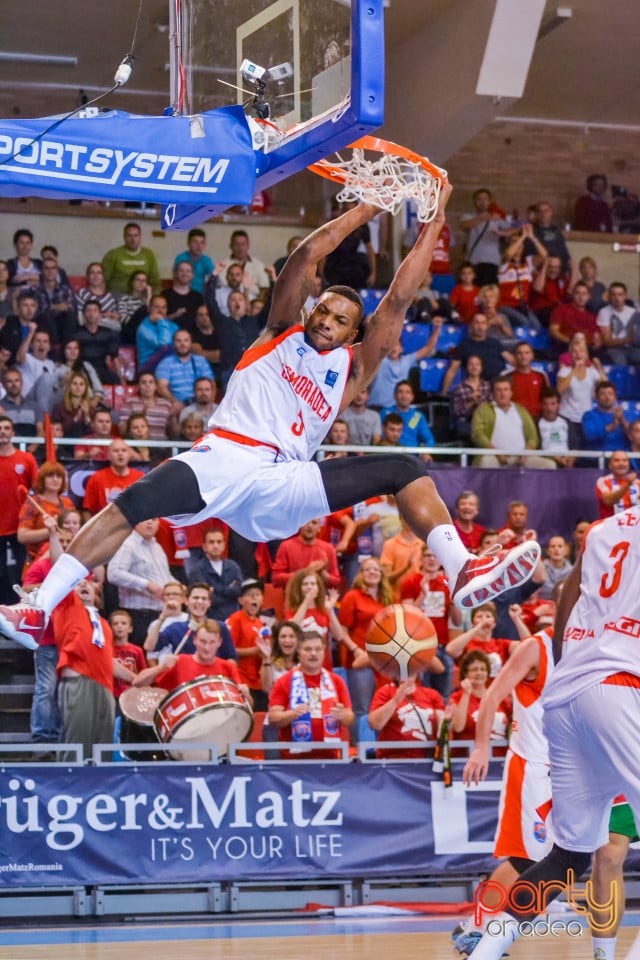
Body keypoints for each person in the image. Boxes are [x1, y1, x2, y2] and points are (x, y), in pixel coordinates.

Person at [0, 189, 541, 653]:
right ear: (309, 311)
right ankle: (39, 608)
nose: (327, 320)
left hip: (283, 480)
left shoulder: (353, 370)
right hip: (225, 456)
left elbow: (399, 298)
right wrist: (365, 209)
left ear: (355, 333)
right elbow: (308, 253)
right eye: (323, 310)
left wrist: (436, 218)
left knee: (403, 466)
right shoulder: (278, 331)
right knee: (130, 504)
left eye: (341, 319)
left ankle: (462, 567)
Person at [465, 506, 640, 960]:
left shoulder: (602, 527)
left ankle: (486, 951)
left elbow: (567, 593)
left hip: (564, 697)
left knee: (568, 858)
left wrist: (565, 661)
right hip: (619, 685)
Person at [55, 577, 134, 761]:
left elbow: (108, 660)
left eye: (87, 582)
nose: (83, 584)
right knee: (78, 742)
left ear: (97, 590)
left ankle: (100, 786)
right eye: (77, 583)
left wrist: (134, 678)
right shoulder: (67, 608)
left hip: (105, 687)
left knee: (103, 745)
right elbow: (61, 566)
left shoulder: (104, 624)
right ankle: (69, 784)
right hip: (79, 681)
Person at [267, 630, 353, 759]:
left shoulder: (336, 681)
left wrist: (342, 715)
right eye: (308, 649)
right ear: (299, 653)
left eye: (318, 649)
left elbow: (349, 717)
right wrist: (292, 714)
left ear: (324, 653)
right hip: (293, 759)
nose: (313, 654)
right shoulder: (284, 681)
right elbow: (273, 717)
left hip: (329, 757)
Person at [134, 619, 248, 699]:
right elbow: (137, 683)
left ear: (220, 642)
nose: (207, 647)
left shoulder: (227, 667)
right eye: (202, 641)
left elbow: (247, 705)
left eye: (212, 642)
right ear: (194, 640)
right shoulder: (180, 661)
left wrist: (246, 694)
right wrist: (161, 667)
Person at [107, 518, 173, 645]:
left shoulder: (157, 547)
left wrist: (177, 586)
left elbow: (165, 575)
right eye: (145, 519)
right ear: (136, 521)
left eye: (154, 519)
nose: (150, 522)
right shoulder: (128, 545)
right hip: (138, 615)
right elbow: (114, 573)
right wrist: (146, 584)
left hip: (159, 613)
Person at [470, 376, 555, 469]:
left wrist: (525, 453)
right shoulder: (483, 409)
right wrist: (496, 453)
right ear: (493, 393)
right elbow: (477, 434)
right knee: (486, 462)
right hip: (494, 456)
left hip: (521, 457)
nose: (503, 394)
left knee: (549, 465)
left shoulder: (521, 410)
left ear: (511, 392)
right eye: (498, 390)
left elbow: (533, 437)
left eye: (506, 390)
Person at [0, 415, 38, 602]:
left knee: (17, 577)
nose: (3, 431)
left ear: (13, 433)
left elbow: (37, 491)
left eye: (7, 428)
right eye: (0, 428)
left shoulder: (26, 459)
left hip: (19, 529)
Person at [368, 674, 445, 758]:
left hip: (427, 760)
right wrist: (395, 701)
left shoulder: (432, 694)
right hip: (393, 762)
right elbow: (375, 724)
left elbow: (443, 726)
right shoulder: (385, 692)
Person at [17, 462, 74, 575]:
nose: (55, 480)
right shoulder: (33, 503)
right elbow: (22, 536)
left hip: (63, 562)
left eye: (59, 476)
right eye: (50, 476)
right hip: (38, 563)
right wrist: (51, 531)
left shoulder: (67, 503)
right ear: (42, 479)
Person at [446, 648, 511, 745]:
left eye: (483, 669)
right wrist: (466, 694)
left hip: (500, 756)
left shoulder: (499, 698)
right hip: (468, 755)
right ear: (465, 673)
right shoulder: (457, 697)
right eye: (474, 669)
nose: (479, 673)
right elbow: (457, 728)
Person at [283, 568, 343, 670]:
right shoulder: (292, 611)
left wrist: (330, 611)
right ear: (298, 588)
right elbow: (292, 629)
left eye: (312, 583)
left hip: (323, 665)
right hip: (299, 665)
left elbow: (339, 636)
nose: (309, 587)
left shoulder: (324, 610)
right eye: (305, 584)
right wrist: (306, 602)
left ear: (318, 587)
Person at [442, 313, 515, 394]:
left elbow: (511, 359)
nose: (480, 327)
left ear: (487, 326)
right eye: (477, 323)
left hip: (500, 385)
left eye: (483, 323)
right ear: (472, 325)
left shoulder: (495, 343)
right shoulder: (464, 346)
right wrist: (444, 392)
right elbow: (452, 370)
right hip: (479, 389)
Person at [556, 332, 606, 449]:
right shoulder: (565, 371)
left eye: (582, 351)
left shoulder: (592, 371)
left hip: (586, 418)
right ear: (570, 355)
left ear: (587, 355)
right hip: (567, 417)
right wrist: (574, 370)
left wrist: (599, 368)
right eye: (575, 351)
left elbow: (605, 386)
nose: (578, 354)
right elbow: (559, 390)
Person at [184, 527, 243, 620]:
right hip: (208, 620)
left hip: (232, 619)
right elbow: (206, 598)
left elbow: (239, 591)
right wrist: (228, 590)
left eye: (219, 542)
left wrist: (216, 590)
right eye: (211, 542)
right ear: (204, 546)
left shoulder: (233, 566)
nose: (215, 546)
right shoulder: (197, 570)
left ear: (224, 545)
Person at [446, 602, 514, 678]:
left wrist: (516, 619)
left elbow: (527, 646)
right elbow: (450, 650)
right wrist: (477, 629)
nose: (484, 620)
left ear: (494, 623)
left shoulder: (501, 644)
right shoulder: (466, 644)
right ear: (473, 622)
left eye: (488, 616)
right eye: (479, 617)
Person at [460, 188, 512, 287]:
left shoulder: (497, 219)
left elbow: (512, 230)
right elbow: (465, 225)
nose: (482, 202)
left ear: (490, 201)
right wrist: (485, 217)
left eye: (485, 199)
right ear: (474, 202)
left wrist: (502, 233)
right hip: (474, 262)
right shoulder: (468, 216)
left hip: (492, 262)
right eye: (479, 199)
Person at [271, 518, 341, 591]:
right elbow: (276, 579)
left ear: (319, 528)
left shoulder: (328, 549)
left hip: (320, 598)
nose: (309, 526)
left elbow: (336, 582)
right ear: (299, 525)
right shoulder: (286, 546)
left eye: (314, 523)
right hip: (294, 598)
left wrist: (323, 574)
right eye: (305, 522)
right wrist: (306, 572)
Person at [82, 439, 144, 516]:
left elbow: (147, 507)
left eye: (124, 450)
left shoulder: (141, 478)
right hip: (105, 526)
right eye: (116, 451)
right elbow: (87, 510)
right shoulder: (97, 478)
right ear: (109, 455)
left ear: (129, 454)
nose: (120, 454)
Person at [102, 223, 161, 296]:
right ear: (124, 237)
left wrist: (154, 298)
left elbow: (155, 281)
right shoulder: (112, 254)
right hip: (118, 297)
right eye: (129, 235)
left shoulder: (148, 254)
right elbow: (103, 280)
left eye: (135, 235)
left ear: (140, 237)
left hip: (141, 297)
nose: (132, 239)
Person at [380, 380, 435, 451]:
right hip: (390, 454)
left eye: (407, 392)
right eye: (400, 392)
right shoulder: (384, 413)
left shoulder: (418, 416)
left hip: (412, 457)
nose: (404, 396)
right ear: (395, 395)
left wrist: (426, 452)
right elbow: (378, 437)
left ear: (412, 397)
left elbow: (429, 439)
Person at [597, 281, 640, 365]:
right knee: (620, 362)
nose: (617, 298)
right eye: (614, 295)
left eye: (620, 294)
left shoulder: (633, 312)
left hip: (631, 348)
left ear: (625, 296)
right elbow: (608, 342)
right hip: (614, 349)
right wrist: (627, 339)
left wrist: (633, 339)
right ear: (609, 296)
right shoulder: (604, 312)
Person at [450, 354, 492, 441]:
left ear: (481, 367)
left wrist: (480, 402)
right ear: (467, 367)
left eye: (477, 364)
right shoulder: (460, 388)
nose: (474, 367)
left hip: (485, 421)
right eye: (471, 364)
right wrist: (471, 402)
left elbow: (492, 408)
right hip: (467, 422)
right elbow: (457, 412)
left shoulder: (488, 386)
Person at [582, 380, 630, 453]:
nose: (607, 397)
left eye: (610, 394)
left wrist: (622, 420)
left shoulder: (626, 415)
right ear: (596, 398)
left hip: (621, 458)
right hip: (596, 459)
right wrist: (612, 426)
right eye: (602, 394)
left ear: (615, 397)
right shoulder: (589, 415)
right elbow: (589, 435)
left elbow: (634, 436)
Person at [595, 450, 639, 519]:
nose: (621, 463)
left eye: (624, 460)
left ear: (628, 464)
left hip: (633, 527)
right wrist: (627, 485)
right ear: (610, 465)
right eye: (617, 460)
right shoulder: (603, 481)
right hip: (610, 526)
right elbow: (609, 501)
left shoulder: (638, 483)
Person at [73, 262, 119, 328]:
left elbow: (115, 318)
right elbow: (81, 318)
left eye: (99, 273)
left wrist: (112, 316)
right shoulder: (81, 293)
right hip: (87, 329)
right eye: (92, 273)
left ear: (103, 277)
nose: (96, 276)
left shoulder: (110, 297)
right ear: (88, 276)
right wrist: (103, 315)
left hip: (108, 330)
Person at [173, 227, 214, 294]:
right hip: (183, 293)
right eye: (195, 242)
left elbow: (213, 280)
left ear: (205, 244)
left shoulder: (207, 260)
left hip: (201, 296)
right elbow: (175, 279)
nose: (199, 246)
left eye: (202, 243)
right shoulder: (181, 258)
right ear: (188, 243)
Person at [164, 261, 204, 326]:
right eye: (181, 270)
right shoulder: (165, 295)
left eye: (188, 271)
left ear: (192, 275)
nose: (184, 273)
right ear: (175, 273)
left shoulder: (198, 297)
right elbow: (158, 319)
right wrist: (175, 315)